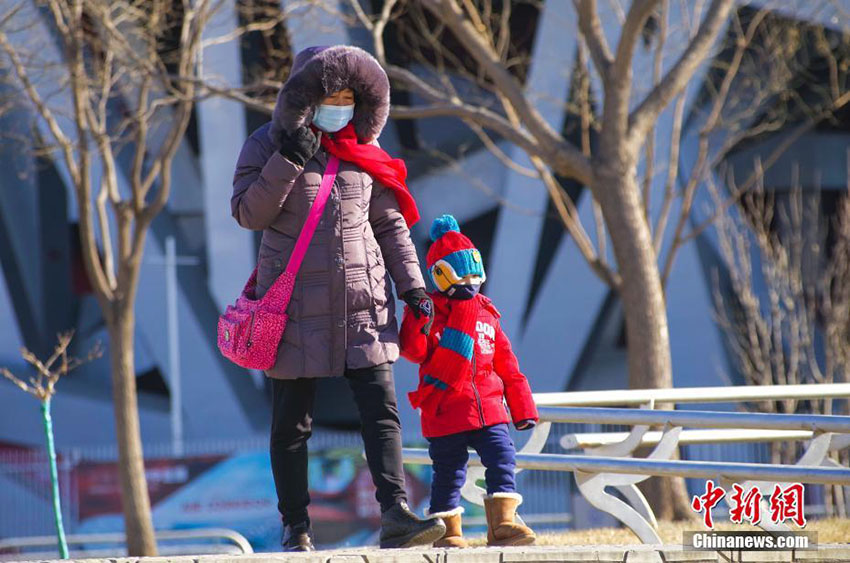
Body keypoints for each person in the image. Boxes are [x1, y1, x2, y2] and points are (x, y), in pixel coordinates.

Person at [230, 45, 444, 551]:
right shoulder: (266, 144)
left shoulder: (366, 151)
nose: (341, 107)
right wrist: (288, 160)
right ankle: (296, 528)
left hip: (362, 303)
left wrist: (412, 285)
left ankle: (396, 514)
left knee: (382, 412)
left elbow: (390, 224)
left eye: (350, 98)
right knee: (292, 424)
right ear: (306, 98)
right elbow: (247, 213)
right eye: (332, 97)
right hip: (292, 309)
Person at [399, 215, 539, 548]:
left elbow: (508, 367)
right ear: (441, 275)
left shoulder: (486, 313)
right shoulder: (430, 312)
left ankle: (503, 524)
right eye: (463, 275)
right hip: (445, 410)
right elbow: (414, 352)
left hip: (489, 410)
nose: (470, 282)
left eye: (475, 275)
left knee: (502, 457)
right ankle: (448, 531)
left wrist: (523, 409)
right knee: (449, 472)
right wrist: (417, 319)